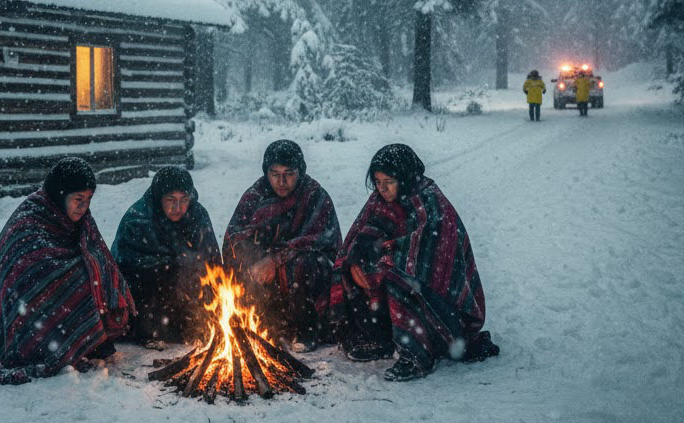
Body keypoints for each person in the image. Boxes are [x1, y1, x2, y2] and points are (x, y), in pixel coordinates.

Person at [330, 143, 499, 382]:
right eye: (377, 181)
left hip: (442, 309)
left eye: (389, 181)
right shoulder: (380, 200)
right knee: (348, 265)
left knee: (398, 275)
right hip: (400, 280)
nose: (382, 188)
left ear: (405, 177)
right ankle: (376, 337)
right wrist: (357, 260)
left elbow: (421, 260)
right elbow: (362, 236)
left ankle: (417, 354)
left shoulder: (431, 202)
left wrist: (379, 261)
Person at [0, 157, 134, 384]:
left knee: (96, 267)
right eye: (78, 199)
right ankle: (48, 346)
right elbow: (26, 272)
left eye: (89, 199)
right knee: (78, 279)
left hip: (56, 306)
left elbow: (97, 252)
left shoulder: (80, 219)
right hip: (25, 314)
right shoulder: (30, 221)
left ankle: (83, 340)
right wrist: (76, 275)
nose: (83, 207)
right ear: (60, 195)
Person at [223, 139, 342, 350]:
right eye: (274, 174)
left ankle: (308, 330)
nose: (281, 181)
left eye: (289, 173)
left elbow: (319, 240)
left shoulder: (315, 196)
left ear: (300, 172)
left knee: (301, 266)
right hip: (265, 272)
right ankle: (268, 326)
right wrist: (252, 259)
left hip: (308, 271)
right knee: (243, 265)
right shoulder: (255, 196)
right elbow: (235, 236)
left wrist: (275, 260)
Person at [111, 166, 222, 343]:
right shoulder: (138, 219)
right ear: (159, 197)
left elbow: (212, 259)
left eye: (184, 199)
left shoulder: (198, 215)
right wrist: (170, 265)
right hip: (149, 295)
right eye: (171, 199)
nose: (178, 207)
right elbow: (123, 268)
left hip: (187, 292)